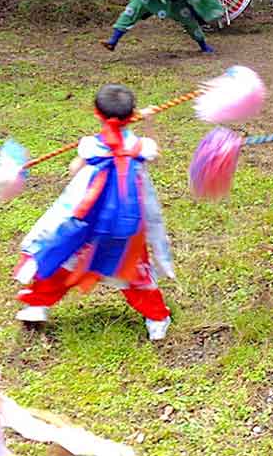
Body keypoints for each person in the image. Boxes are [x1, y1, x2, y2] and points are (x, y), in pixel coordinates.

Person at [10, 84, 174, 337]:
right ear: (132, 116)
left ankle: (37, 304)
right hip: (124, 223)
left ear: (97, 114)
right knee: (130, 268)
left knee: (64, 257)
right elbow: (155, 152)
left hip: (87, 222)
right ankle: (156, 319)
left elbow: (74, 170)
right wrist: (150, 121)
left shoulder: (90, 145)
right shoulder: (142, 147)